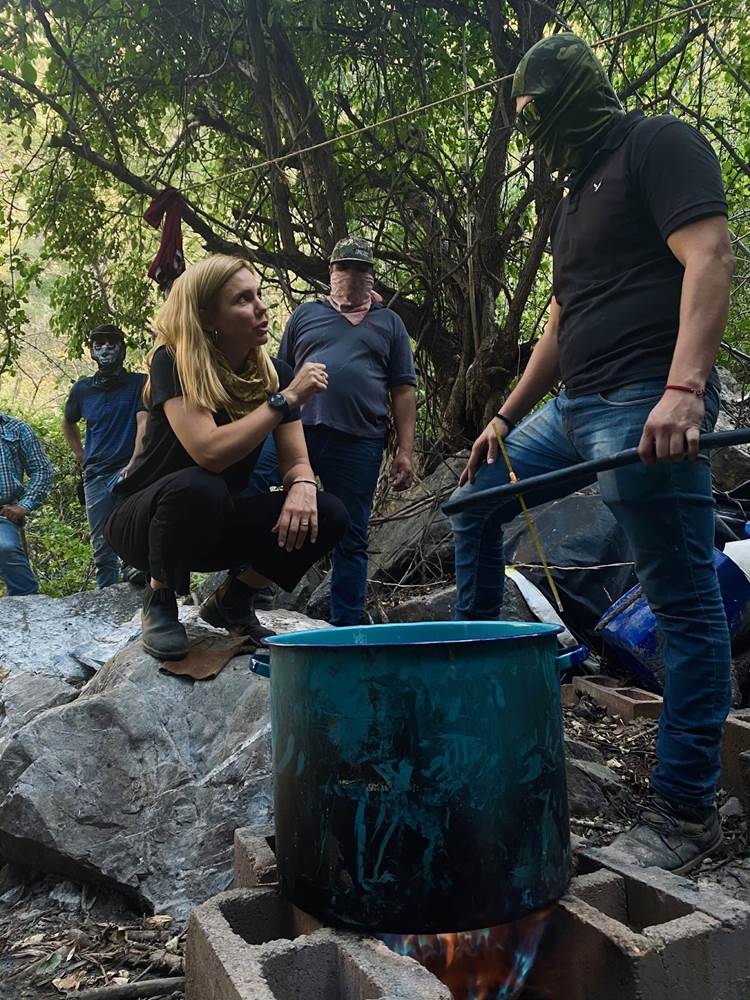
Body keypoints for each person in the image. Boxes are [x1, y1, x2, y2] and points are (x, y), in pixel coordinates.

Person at [446, 33, 734, 873]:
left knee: (682, 600)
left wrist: (683, 388)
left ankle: (684, 810)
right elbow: (561, 321)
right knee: (472, 501)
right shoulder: (573, 194)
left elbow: (710, 255)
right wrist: (503, 414)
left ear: (570, 92)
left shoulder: (658, 144)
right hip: (572, 407)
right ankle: (483, 676)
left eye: (536, 111)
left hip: (645, 400)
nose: (531, 129)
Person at [104, 254, 349, 661]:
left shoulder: (274, 373)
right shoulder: (175, 361)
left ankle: (233, 600)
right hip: (145, 524)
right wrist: (284, 400)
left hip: (214, 519)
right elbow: (209, 452)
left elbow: (296, 461)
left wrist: (303, 485)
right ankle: (159, 598)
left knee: (329, 512)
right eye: (242, 300)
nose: (261, 308)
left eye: (259, 295)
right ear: (207, 316)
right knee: (201, 483)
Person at [250, 237, 417, 626]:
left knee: (352, 533)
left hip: (359, 441)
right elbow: (277, 375)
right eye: (344, 268)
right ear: (330, 272)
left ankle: (346, 627)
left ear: (371, 275)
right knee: (252, 480)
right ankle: (247, 592)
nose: (351, 276)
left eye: (359, 269)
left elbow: (403, 390)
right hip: (296, 432)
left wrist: (405, 451)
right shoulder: (306, 314)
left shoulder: (389, 323)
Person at [62, 325, 148, 588]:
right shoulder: (83, 389)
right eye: (99, 343)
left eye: (112, 342)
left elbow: (144, 422)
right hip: (96, 473)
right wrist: (81, 455)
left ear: (122, 348)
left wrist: (136, 461)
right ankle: (106, 597)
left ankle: (143, 601)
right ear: (91, 351)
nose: (106, 348)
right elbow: (68, 421)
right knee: (102, 545)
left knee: (133, 536)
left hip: (128, 469)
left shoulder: (139, 383)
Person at [0, 412, 53, 596]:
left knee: (6, 548)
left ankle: (28, 607)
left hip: (2, 512)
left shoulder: (16, 429)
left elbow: (41, 469)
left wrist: (25, 505)